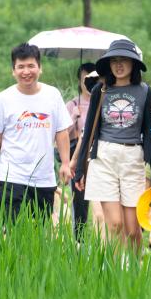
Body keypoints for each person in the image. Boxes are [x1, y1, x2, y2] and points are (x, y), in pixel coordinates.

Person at [73, 39, 151, 251]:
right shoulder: (101, 90)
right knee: (114, 224)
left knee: (133, 229)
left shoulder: (145, 92)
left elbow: (150, 133)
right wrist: (79, 169)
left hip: (133, 157)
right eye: (114, 60)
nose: (119, 65)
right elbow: (89, 131)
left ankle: (134, 271)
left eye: (124, 60)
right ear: (108, 64)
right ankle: (118, 272)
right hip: (104, 157)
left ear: (134, 64)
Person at [0, 43, 72, 223]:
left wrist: (65, 163)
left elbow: (61, 131)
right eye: (21, 67)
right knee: (11, 231)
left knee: (40, 231)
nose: (26, 71)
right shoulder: (3, 99)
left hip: (44, 178)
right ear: (13, 71)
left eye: (31, 66)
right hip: (12, 176)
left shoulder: (52, 95)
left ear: (40, 68)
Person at [66, 62, 98, 239]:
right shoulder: (72, 104)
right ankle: (79, 238)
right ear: (80, 80)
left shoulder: (102, 99)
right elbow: (63, 134)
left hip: (97, 154)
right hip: (78, 155)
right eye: (84, 77)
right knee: (79, 198)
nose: (88, 81)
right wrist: (73, 117)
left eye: (92, 77)